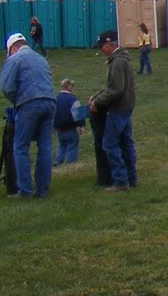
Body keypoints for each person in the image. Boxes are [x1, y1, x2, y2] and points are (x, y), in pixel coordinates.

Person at [0, 32, 53, 198]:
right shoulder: (41, 59)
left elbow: (6, 87)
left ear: (13, 48)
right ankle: (43, 189)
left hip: (29, 102)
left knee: (21, 146)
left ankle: (25, 190)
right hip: (50, 102)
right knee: (45, 147)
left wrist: (17, 101)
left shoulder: (15, 59)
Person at [89, 30, 137, 192]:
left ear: (110, 44)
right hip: (127, 107)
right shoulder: (124, 59)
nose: (100, 50)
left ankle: (120, 181)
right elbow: (113, 87)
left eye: (102, 46)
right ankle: (131, 178)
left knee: (109, 144)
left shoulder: (117, 62)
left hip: (117, 109)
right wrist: (97, 95)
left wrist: (97, 102)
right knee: (126, 143)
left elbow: (115, 90)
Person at [53, 79, 81, 166]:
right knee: (72, 144)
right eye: (71, 86)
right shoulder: (72, 99)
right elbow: (78, 113)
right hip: (70, 127)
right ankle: (70, 164)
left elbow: (52, 113)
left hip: (59, 128)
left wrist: (53, 126)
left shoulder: (55, 99)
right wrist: (80, 126)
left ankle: (58, 161)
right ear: (68, 87)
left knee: (61, 144)